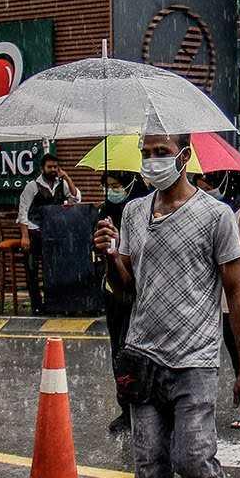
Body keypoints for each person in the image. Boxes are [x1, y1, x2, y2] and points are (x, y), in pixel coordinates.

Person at [93, 133, 240, 478]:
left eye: (160, 152)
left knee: (192, 459)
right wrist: (112, 257)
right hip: (143, 358)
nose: (151, 161)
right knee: (149, 473)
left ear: (184, 157)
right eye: (145, 152)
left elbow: (237, 295)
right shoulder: (133, 213)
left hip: (195, 360)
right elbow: (128, 290)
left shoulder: (216, 217)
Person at [196, 170, 240, 428]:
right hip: (216, 291)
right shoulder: (208, 210)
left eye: (208, 183)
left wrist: (227, 250)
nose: (204, 188)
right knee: (228, 343)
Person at [98, 170, 150, 435]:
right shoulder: (104, 212)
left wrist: (123, 244)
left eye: (117, 185)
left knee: (140, 352)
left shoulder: (144, 210)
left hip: (140, 294)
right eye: (108, 186)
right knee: (118, 350)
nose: (112, 191)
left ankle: (146, 405)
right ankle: (126, 408)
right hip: (114, 295)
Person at [15, 153, 81, 314]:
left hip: (54, 233)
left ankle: (54, 303)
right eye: (50, 167)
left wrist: (67, 178)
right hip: (34, 232)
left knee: (54, 269)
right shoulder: (32, 186)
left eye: (55, 167)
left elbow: (75, 199)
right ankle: (37, 306)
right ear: (42, 168)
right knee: (32, 270)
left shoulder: (61, 184)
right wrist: (24, 236)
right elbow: (22, 212)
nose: (53, 170)